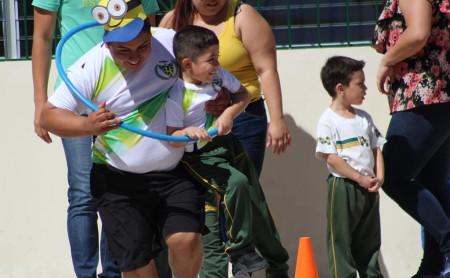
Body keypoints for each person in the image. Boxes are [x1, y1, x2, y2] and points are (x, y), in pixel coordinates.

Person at [39, 2, 205, 277]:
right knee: (137, 266)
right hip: (118, 181)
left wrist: (221, 97)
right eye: (123, 51)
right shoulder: (89, 67)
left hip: (174, 173)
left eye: (142, 47)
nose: (135, 58)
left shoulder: (170, 43)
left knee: (186, 239)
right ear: (107, 43)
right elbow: (48, 116)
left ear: (150, 33)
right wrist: (86, 124)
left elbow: (207, 69)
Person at [159, 1, 291, 276]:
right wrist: (186, 133)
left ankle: (271, 263)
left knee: (249, 197)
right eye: (211, 59)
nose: (217, 64)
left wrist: (232, 112)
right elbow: (170, 133)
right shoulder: (176, 91)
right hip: (198, 154)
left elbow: (253, 82)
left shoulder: (221, 69)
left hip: (231, 136)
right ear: (186, 63)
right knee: (219, 200)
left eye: (218, 57)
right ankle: (233, 258)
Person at [31, 0, 158, 277]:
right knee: (82, 193)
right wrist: (41, 104)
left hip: (124, 96)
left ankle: (114, 272)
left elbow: (151, 33)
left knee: (118, 189)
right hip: (74, 98)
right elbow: (41, 37)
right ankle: (85, 274)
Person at [372, 0, 450, 277]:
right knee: (434, 184)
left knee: (391, 174)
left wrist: (387, 60)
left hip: (424, 95)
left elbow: (418, 32)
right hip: (437, 96)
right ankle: (433, 267)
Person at [315, 56, 385, 278]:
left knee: (370, 241)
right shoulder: (328, 121)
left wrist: (379, 178)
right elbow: (331, 158)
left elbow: (376, 148)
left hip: (369, 188)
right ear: (340, 88)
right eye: (360, 84)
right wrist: (359, 178)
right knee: (341, 242)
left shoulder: (364, 118)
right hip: (343, 188)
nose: (365, 89)